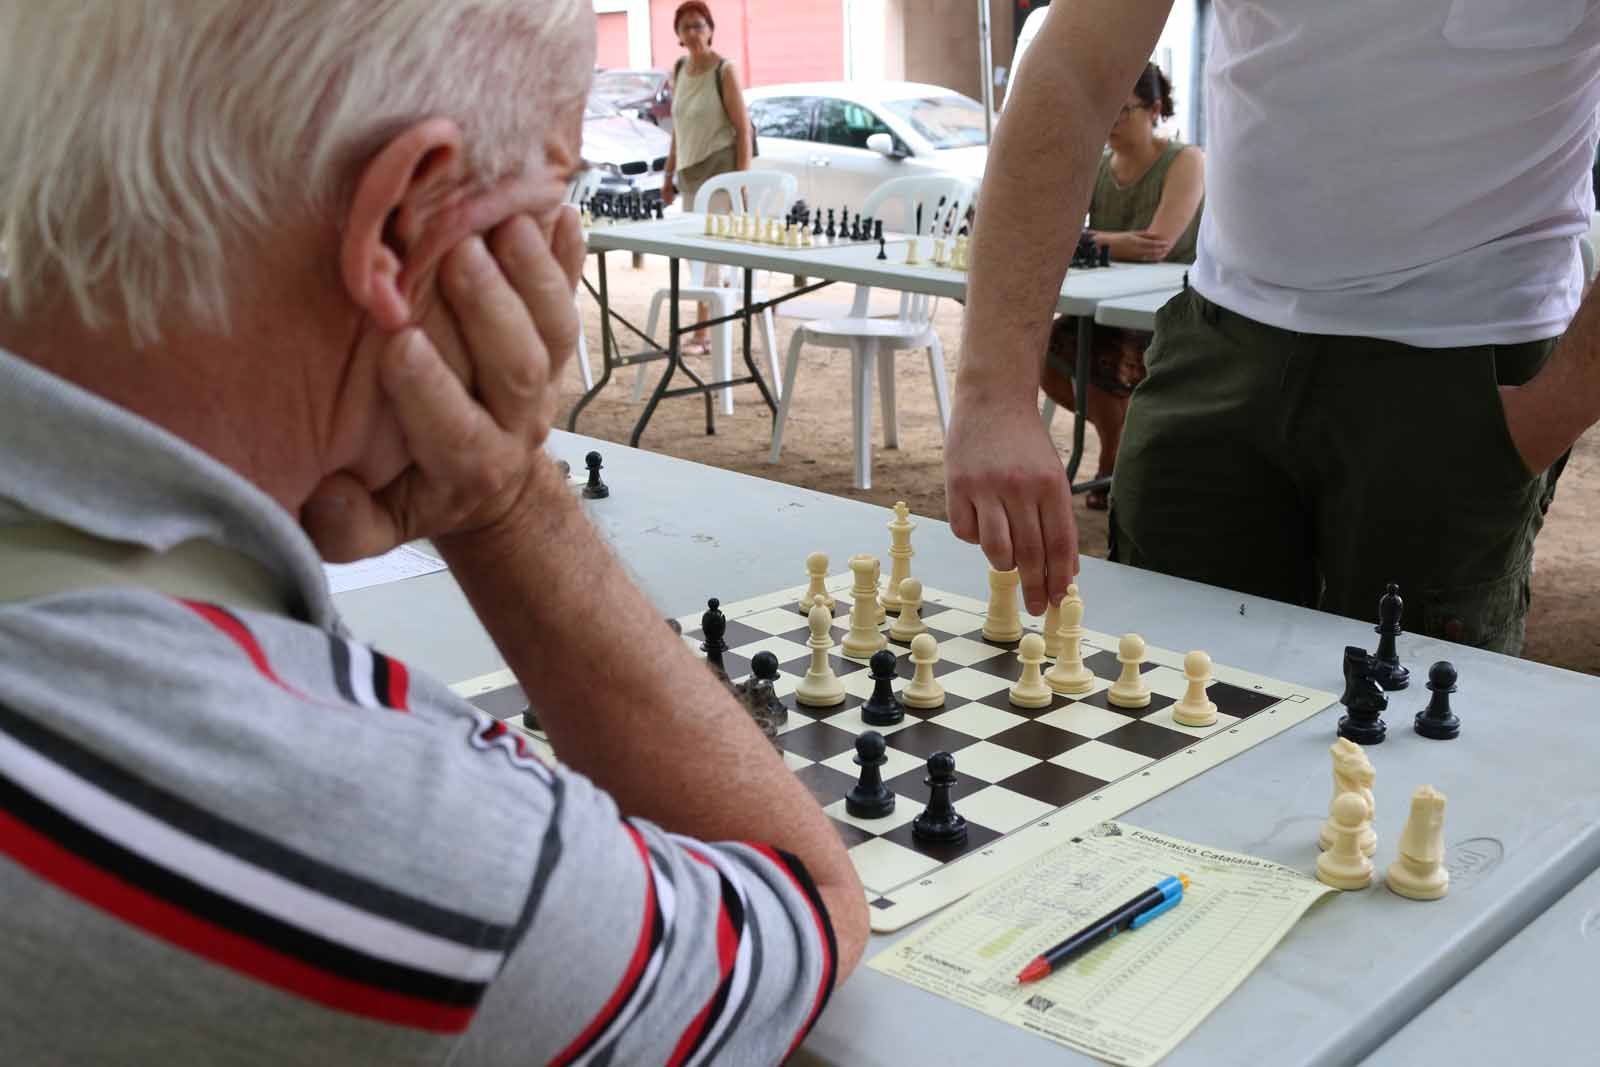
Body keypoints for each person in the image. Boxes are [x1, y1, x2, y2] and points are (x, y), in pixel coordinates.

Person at [0, 4, 866, 1064]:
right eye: (558, 191)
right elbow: (799, 895)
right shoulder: (388, 841)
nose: (567, 241)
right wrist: (501, 495)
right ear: (406, 225)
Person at [946, 0, 1600, 656]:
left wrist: (1551, 410)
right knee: (1168, 684)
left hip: (1465, 362)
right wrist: (993, 392)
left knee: (1402, 705)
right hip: (1219, 340)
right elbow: (1073, 69)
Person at [1040, 62, 1203, 509]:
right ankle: (1120, 447)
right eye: (1104, 110)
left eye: (1122, 110)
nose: (1110, 121)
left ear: (1154, 109)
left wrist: (1089, 240)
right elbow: (1058, 232)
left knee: (1111, 356)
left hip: (1167, 308)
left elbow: (1158, 244)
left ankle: (1114, 462)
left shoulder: (1186, 160)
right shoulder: (1098, 165)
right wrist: (1114, 242)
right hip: (1104, 302)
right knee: (1042, 351)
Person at [660, 0, 754, 355]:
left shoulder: (724, 70)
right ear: (678, 35)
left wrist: (742, 182)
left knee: (707, 252)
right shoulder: (679, 69)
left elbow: (743, 130)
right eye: (686, 27)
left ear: (711, 30)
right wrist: (668, 175)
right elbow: (679, 128)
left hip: (719, 171)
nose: (693, 32)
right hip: (690, 173)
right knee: (694, 253)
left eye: (699, 25)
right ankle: (719, 312)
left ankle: (704, 333)